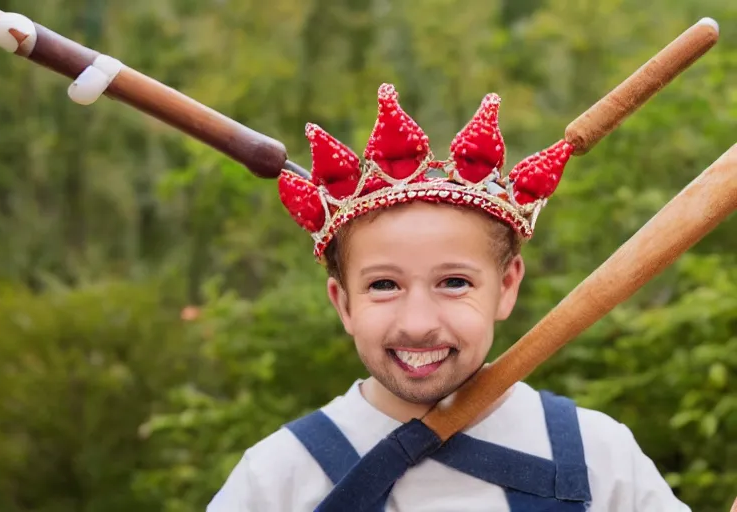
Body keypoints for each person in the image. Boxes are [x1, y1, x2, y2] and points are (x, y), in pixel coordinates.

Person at [207, 83, 690, 511]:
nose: (418, 323)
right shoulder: (277, 479)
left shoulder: (596, 453)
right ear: (343, 303)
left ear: (506, 287)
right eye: (383, 285)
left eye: (454, 282)